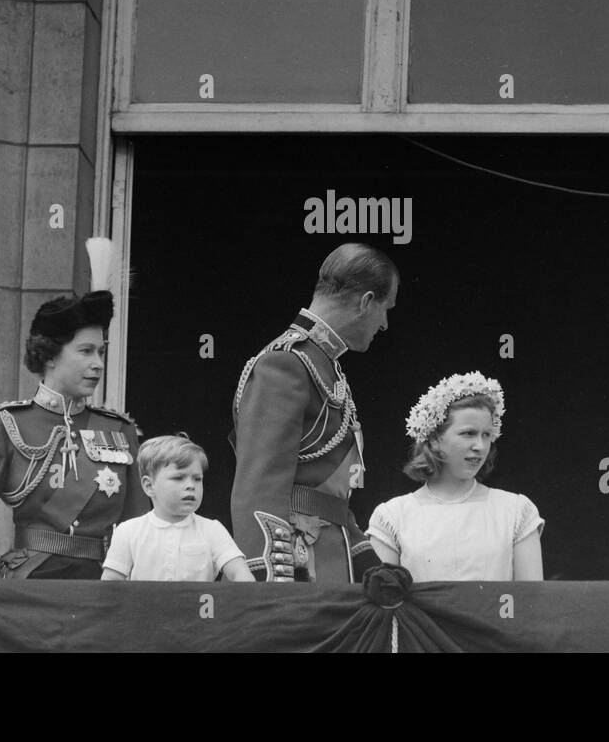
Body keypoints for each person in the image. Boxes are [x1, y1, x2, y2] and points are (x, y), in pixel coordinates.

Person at [229, 243, 398, 582]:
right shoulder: (285, 363)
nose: (385, 324)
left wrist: (369, 566)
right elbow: (259, 486)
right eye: (386, 309)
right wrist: (271, 581)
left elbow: (332, 504)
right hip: (298, 571)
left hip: (331, 563)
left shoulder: (324, 365)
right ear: (365, 302)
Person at [0, 289, 148, 579]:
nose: (99, 363)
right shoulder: (6, 423)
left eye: (101, 352)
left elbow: (138, 524)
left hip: (103, 583)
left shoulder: (119, 429)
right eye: (86, 351)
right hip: (31, 580)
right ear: (50, 355)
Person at [366, 372, 544, 582]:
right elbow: (384, 601)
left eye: (486, 435)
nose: (479, 446)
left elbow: (531, 601)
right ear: (433, 440)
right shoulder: (392, 517)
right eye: (468, 433)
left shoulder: (516, 511)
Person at [102, 434, 253, 582]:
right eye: (178, 478)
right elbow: (110, 586)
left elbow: (240, 574)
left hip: (197, 607)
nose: (190, 485)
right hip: (142, 607)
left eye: (197, 479)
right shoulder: (129, 531)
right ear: (149, 486)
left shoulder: (212, 530)